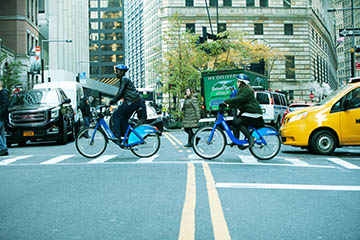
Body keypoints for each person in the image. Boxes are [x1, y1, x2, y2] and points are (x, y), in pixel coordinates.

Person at [224, 74, 264, 148]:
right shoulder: (242, 90)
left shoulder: (247, 90)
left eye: (238, 81)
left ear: (242, 82)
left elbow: (240, 99)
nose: (237, 83)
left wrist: (227, 101)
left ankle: (250, 138)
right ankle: (236, 140)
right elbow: (239, 103)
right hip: (247, 112)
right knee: (234, 121)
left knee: (237, 122)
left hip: (253, 113)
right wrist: (228, 106)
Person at [108, 64, 143, 143]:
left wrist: (111, 102)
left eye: (117, 71)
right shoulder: (124, 79)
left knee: (115, 115)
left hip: (131, 102)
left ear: (122, 72)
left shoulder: (124, 79)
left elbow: (120, 93)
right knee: (124, 120)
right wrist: (113, 101)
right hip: (134, 102)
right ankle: (130, 137)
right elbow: (120, 93)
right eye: (116, 71)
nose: (116, 73)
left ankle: (117, 136)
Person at [0, 81, 9, 156]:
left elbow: (4, 105)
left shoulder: (3, 93)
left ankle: (3, 148)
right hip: (2, 117)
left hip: (1, 116)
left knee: (1, 133)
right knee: (2, 133)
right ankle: (4, 148)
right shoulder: (3, 93)